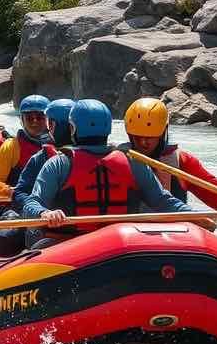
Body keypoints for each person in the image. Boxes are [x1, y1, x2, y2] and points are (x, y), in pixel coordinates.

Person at [22, 99, 200, 250]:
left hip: (111, 247)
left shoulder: (58, 163)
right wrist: (45, 214)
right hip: (72, 247)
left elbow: (31, 204)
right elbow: (164, 202)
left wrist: (198, 217)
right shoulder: (133, 161)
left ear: (73, 128)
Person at [123, 97, 217, 223]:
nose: (143, 142)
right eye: (137, 137)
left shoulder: (181, 161)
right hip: (125, 233)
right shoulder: (116, 159)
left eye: (150, 137)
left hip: (175, 234)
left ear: (163, 132)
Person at [0, 98, 73, 256]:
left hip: (79, 226)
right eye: (29, 117)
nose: (35, 122)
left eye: (40, 117)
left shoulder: (99, 157)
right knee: (4, 237)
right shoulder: (20, 149)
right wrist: (38, 211)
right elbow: (19, 193)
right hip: (37, 214)